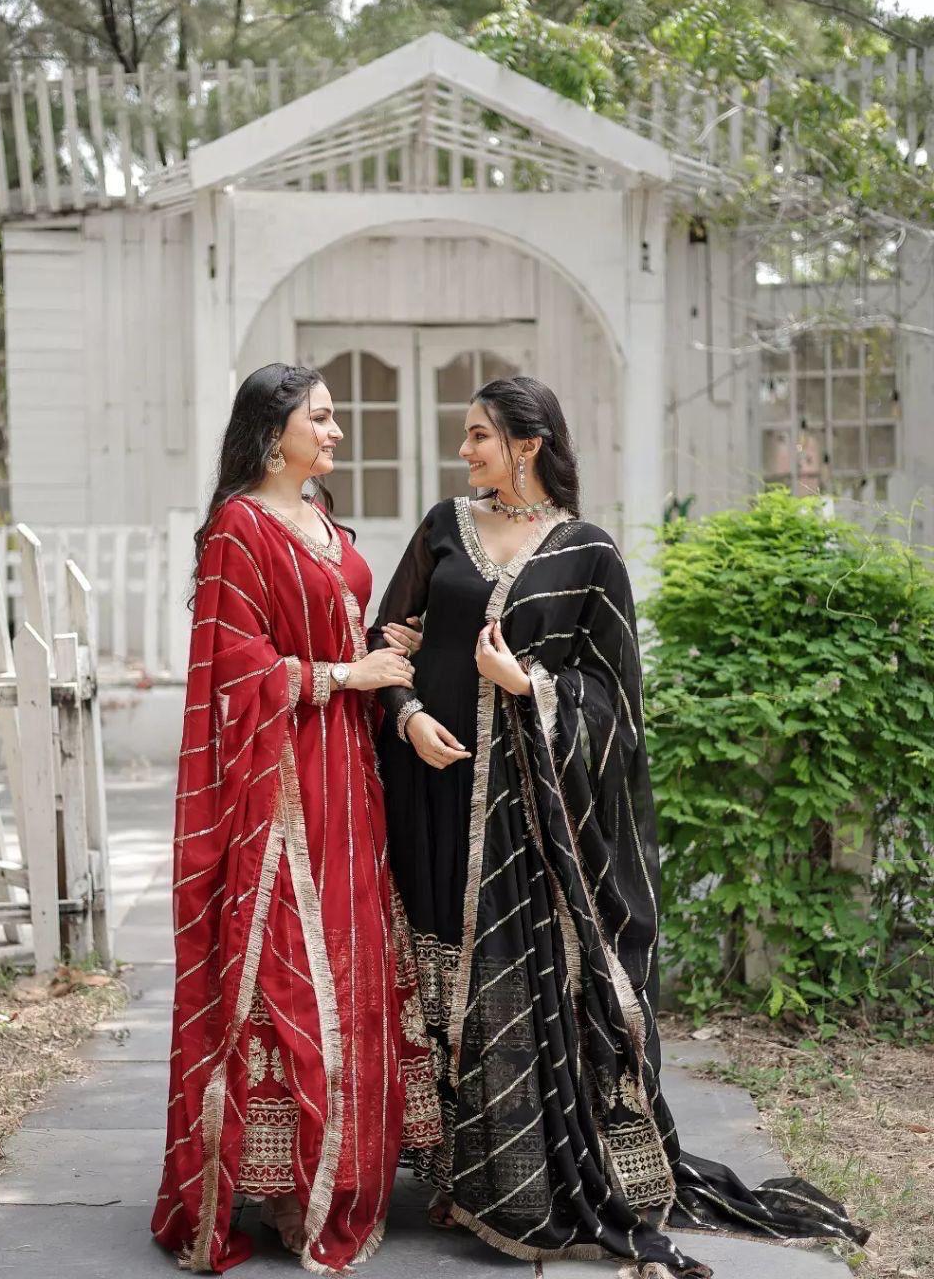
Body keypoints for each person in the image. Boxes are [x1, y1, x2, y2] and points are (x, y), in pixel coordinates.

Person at [369, 375, 868, 1277]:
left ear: (526, 444)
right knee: (436, 974)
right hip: (431, 792)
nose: (464, 450)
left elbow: (616, 705)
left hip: (527, 822)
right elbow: (387, 639)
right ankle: (451, 1167)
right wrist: (405, 716)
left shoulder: (589, 553)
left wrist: (529, 687)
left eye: (478, 435)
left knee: (506, 983)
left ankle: (514, 1180)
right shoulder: (443, 527)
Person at [152, 364, 439, 1275]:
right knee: (286, 960)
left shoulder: (322, 518)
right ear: (273, 432)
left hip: (348, 769)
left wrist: (383, 651)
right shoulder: (239, 528)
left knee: (354, 956)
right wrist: (344, 675)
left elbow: (339, 629)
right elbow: (231, 668)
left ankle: (342, 1170)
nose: (336, 431)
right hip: (280, 781)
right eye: (320, 417)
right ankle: (290, 1183)